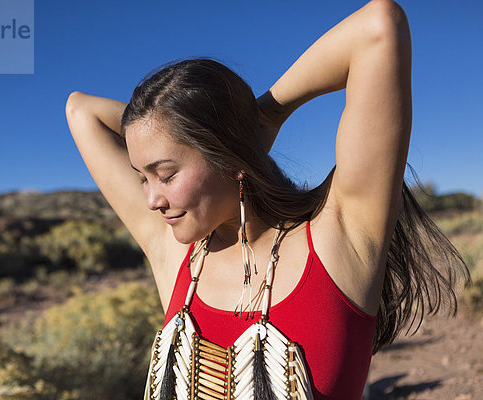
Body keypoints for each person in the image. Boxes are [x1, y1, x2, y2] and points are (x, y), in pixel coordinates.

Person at [65, 1, 468, 398]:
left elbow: (379, 26)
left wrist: (263, 116)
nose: (152, 200)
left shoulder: (341, 239)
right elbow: (80, 110)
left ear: (229, 155)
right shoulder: (177, 254)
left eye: (166, 175)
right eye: (142, 178)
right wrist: (171, 128)